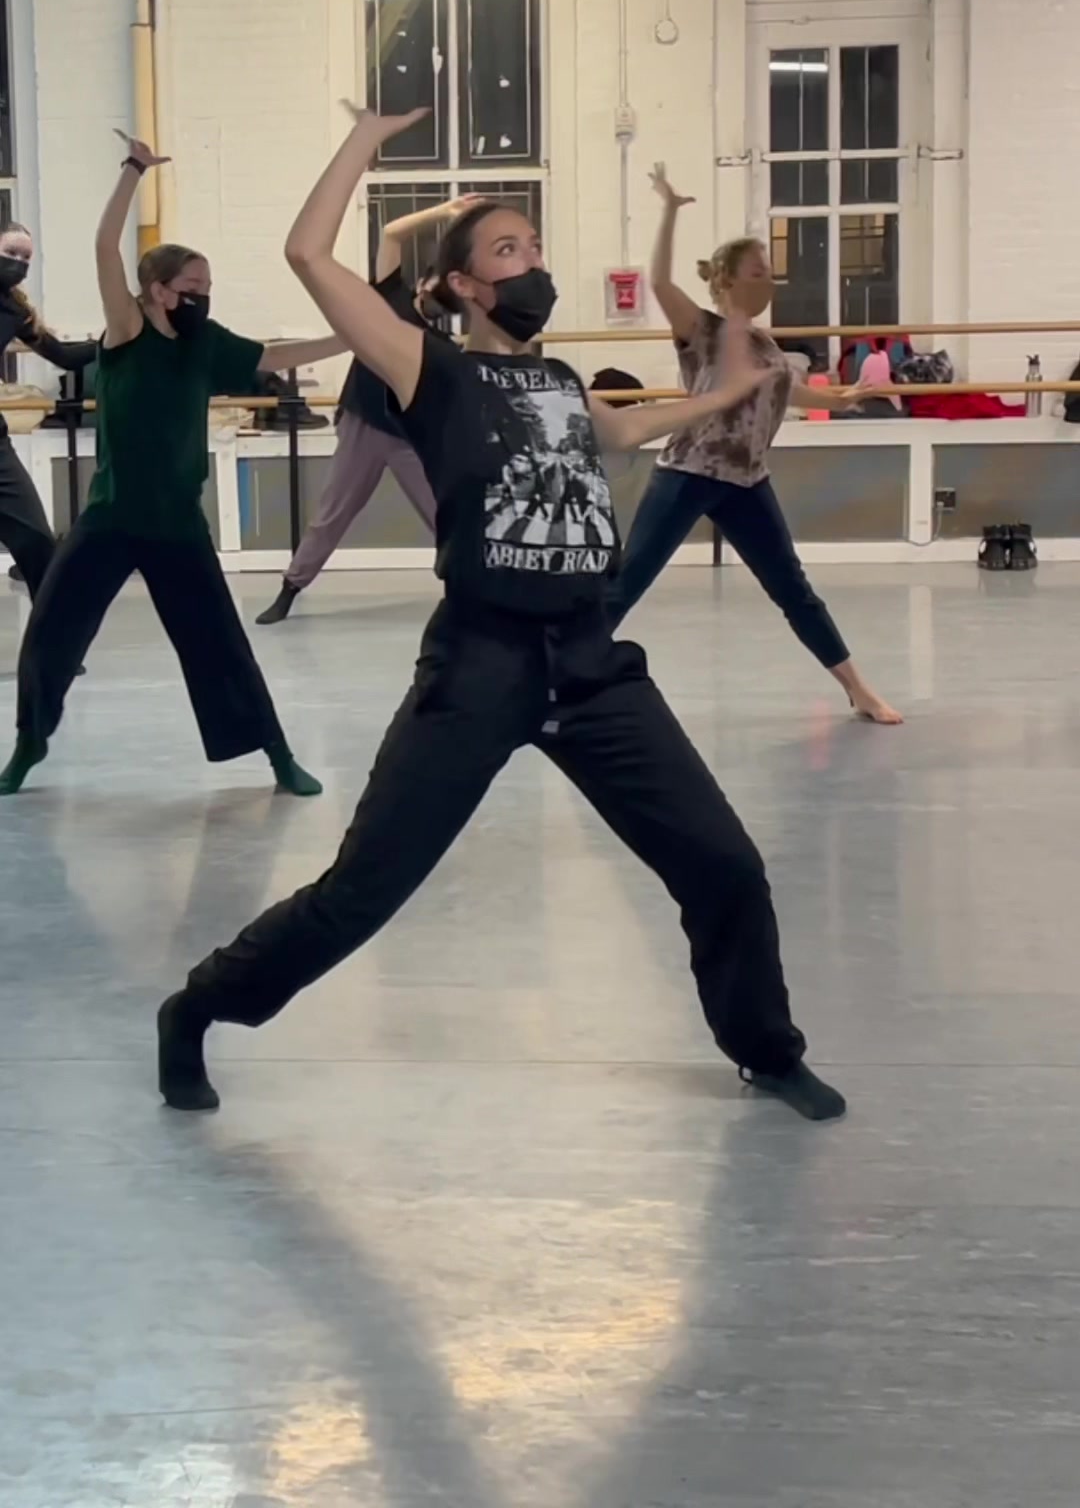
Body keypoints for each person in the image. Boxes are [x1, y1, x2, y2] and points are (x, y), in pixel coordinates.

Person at [158, 106, 847, 1126]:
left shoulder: (559, 378)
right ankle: (195, 1008)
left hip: (592, 663)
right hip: (481, 665)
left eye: (536, 245)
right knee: (361, 892)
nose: (534, 264)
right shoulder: (428, 369)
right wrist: (364, 143)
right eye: (509, 251)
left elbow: (623, 431)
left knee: (725, 864)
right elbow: (308, 254)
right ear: (468, 285)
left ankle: (766, 1050)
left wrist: (722, 396)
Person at [0, 132, 347, 797]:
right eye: (192, 287)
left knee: (219, 643)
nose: (202, 297)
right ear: (158, 291)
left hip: (177, 524)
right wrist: (134, 169)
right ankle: (28, 746)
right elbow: (105, 248)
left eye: (206, 287)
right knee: (51, 632)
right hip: (109, 519)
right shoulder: (127, 331)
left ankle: (277, 754)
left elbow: (272, 357)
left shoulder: (205, 343)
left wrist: (349, 336)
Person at [606, 167, 902, 727]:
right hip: (688, 473)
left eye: (770, 272)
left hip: (746, 482)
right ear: (726, 281)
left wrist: (846, 397)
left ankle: (858, 690)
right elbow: (660, 281)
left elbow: (792, 392)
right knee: (627, 582)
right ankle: (551, 676)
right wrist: (669, 210)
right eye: (758, 272)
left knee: (793, 589)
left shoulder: (766, 344)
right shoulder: (702, 329)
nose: (769, 280)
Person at [256, 193, 480, 626]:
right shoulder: (389, 299)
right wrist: (445, 212)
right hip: (363, 425)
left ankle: (470, 587)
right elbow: (392, 234)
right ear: (423, 282)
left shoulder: (441, 346)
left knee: (444, 512)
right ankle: (290, 588)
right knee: (332, 514)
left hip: (409, 437)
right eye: (438, 285)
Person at [0, 221, 97, 598]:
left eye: (25, 257)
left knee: (37, 540)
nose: (18, 262)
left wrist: (114, 340)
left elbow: (64, 357)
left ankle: (55, 631)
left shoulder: (15, 311)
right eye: (10, 253)